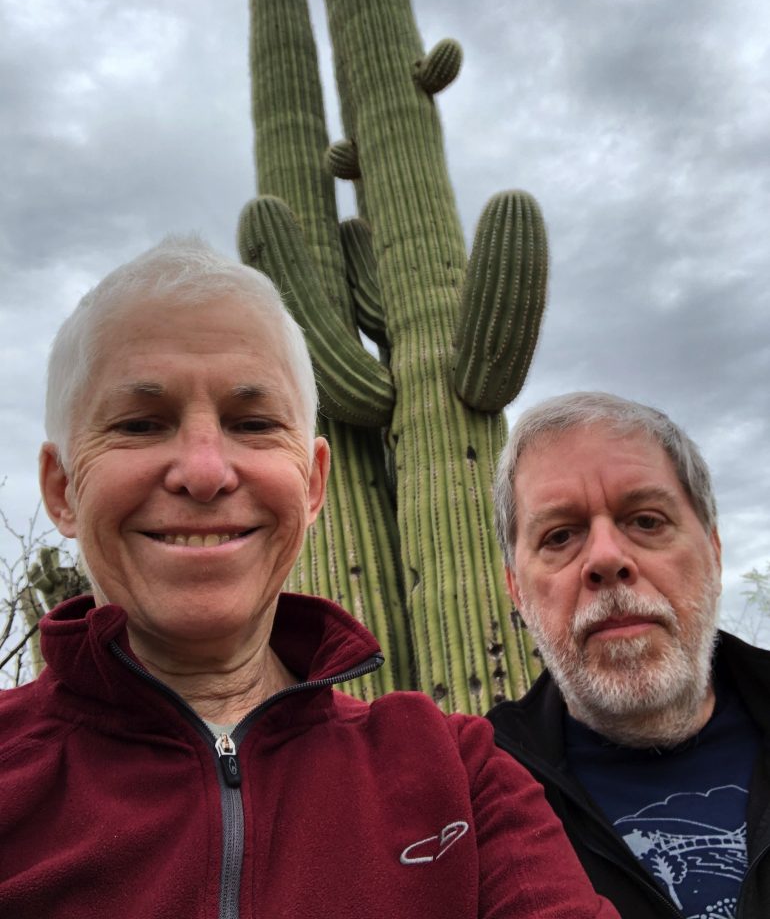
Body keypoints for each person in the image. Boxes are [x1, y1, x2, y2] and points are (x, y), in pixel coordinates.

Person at [0, 239, 617, 919]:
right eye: (142, 424)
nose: (205, 472)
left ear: (314, 484)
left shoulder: (460, 773)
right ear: (62, 490)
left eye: (254, 423)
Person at [487, 391, 770, 919]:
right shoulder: (473, 801)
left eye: (646, 521)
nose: (606, 559)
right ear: (517, 592)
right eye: (561, 535)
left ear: (714, 551)